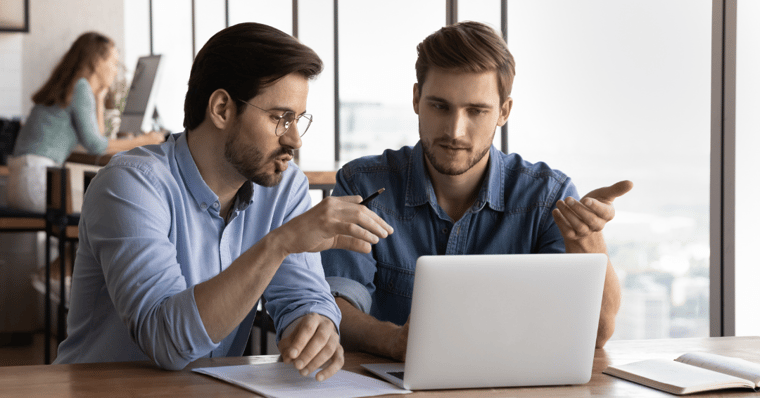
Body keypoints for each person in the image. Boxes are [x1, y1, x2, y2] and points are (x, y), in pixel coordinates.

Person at [53, 23, 394, 381]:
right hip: (104, 390)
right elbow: (165, 342)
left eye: (299, 119)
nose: (295, 139)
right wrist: (279, 244)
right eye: (281, 118)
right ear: (220, 108)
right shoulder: (129, 185)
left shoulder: (283, 184)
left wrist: (315, 325)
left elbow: (302, 298)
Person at [320, 21, 633, 361]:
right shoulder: (362, 185)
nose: (455, 131)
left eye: (476, 111)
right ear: (416, 99)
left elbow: (597, 335)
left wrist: (588, 241)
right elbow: (334, 305)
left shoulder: (546, 196)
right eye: (440, 106)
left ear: (504, 112)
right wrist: (393, 341)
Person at [8, 31, 164, 213]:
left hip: (23, 182)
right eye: (113, 63)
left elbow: (96, 137)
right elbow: (96, 145)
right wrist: (143, 142)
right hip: (37, 183)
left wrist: (99, 99)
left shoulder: (74, 86)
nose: (115, 70)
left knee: (101, 205)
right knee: (111, 209)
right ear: (97, 63)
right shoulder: (81, 87)